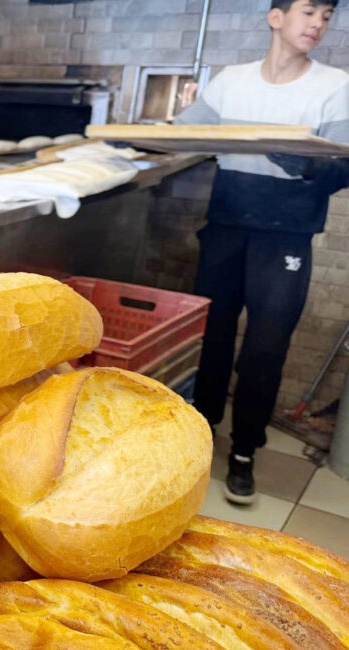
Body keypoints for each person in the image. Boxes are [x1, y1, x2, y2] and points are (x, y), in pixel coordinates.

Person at [174, 0, 349, 504]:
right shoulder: (231, 81)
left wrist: (305, 161)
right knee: (213, 337)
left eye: (326, 16)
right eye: (309, 11)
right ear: (276, 17)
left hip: (287, 237)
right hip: (227, 227)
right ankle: (202, 434)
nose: (318, 24)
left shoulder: (333, 85)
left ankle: (245, 450)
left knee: (266, 349)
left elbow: (344, 165)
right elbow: (185, 133)